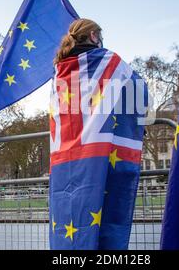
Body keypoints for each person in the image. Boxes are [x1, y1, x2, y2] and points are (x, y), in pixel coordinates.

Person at [48, 18, 148, 250]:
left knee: (69, 221)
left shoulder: (58, 73)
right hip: (100, 157)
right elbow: (140, 93)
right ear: (94, 36)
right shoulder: (109, 61)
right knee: (106, 219)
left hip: (65, 163)